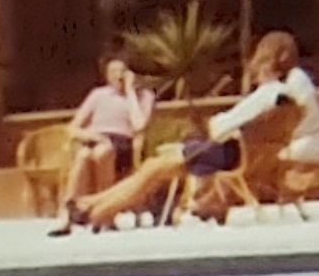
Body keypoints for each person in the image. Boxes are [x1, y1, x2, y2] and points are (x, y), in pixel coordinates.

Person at [67, 31, 319, 230]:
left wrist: (212, 121)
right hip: (235, 153)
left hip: (226, 153)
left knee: (152, 169)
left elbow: (220, 127)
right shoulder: (288, 97)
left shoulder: (269, 94)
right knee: (154, 168)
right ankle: (93, 204)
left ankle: (96, 210)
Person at [47, 54, 154, 235]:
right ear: (107, 76)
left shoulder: (144, 96)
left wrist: (130, 92)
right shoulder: (98, 95)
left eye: (122, 71)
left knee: (103, 152)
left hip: (123, 143)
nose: (118, 76)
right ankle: (68, 215)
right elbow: (72, 128)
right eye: (113, 72)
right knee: (83, 156)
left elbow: (139, 125)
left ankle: (104, 213)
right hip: (96, 139)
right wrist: (94, 136)